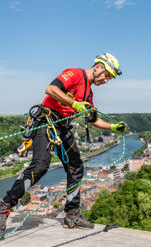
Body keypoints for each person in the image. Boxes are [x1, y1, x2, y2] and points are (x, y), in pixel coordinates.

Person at [0, 53, 127, 230]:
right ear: (98, 67)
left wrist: (113, 127)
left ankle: (72, 215)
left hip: (62, 128)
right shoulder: (75, 74)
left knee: (76, 166)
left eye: (109, 78)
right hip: (46, 122)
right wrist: (75, 104)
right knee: (41, 165)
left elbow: (92, 119)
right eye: (107, 76)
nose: (106, 81)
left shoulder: (88, 93)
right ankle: (5, 205)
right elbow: (51, 89)